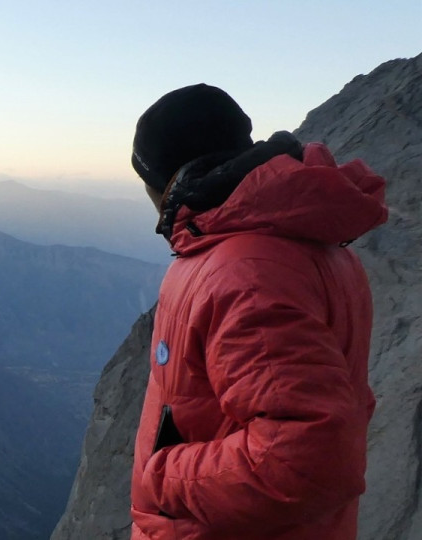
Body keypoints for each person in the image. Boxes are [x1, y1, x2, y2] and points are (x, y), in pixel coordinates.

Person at [128, 84, 387, 539]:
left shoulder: (245, 273)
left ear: (167, 179)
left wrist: (162, 474)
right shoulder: (302, 248)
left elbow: (304, 460)